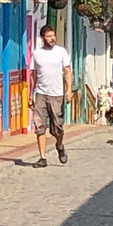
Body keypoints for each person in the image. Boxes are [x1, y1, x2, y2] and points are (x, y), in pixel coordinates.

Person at [29, 25, 71, 168]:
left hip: (57, 95)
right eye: (49, 36)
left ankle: (59, 146)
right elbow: (33, 75)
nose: (52, 38)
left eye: (53, 36)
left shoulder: (61, 52)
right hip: (41, 94)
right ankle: (42, 157)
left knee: (57, 129)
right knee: (40, 126)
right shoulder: (37, 54)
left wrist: (69, 90)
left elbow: (67, 71)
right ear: (42, 38)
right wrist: (31, 94)